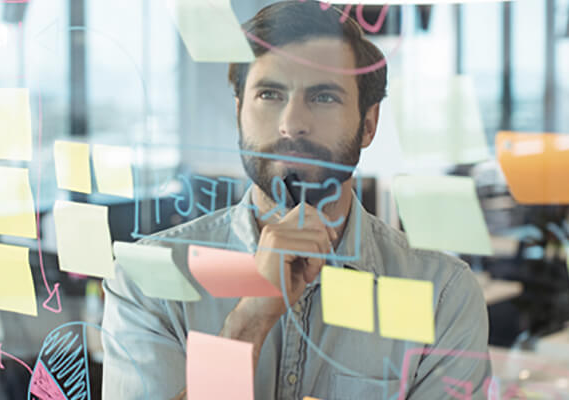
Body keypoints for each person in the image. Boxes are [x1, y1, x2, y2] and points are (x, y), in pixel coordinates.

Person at [101, 1, 491, 399]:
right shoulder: (148, 281)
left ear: (369, 124)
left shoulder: (443, 295)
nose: (291, 124)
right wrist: (250, 320)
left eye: (324, 97)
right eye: (270, 94)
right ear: (239, 113)